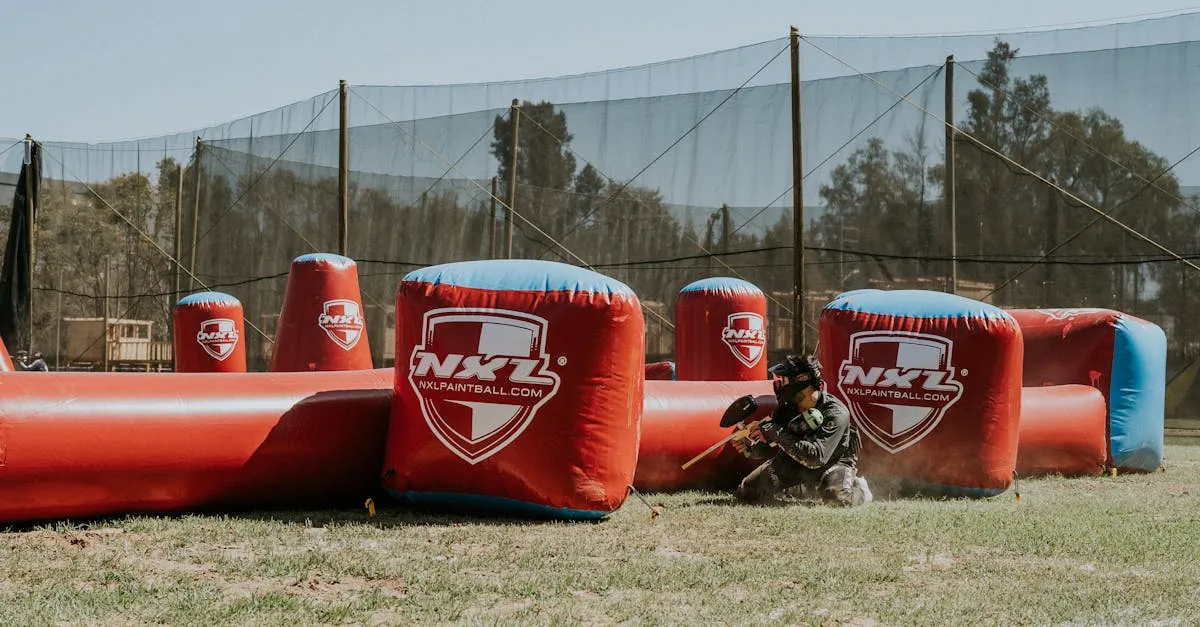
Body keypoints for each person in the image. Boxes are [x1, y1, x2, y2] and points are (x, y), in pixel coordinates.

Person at [731, 354, 872, 506]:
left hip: (833, 462)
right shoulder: (786, 408)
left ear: (801, 381)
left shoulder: (836, 413)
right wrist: (751, 447)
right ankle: (802, 488)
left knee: (836, 499)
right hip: (793, 460)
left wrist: (777, 432)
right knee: (747, 492)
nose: (780, 385)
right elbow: (767, 446)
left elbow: (816, 458)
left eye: (784, 380)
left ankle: (860, 490)